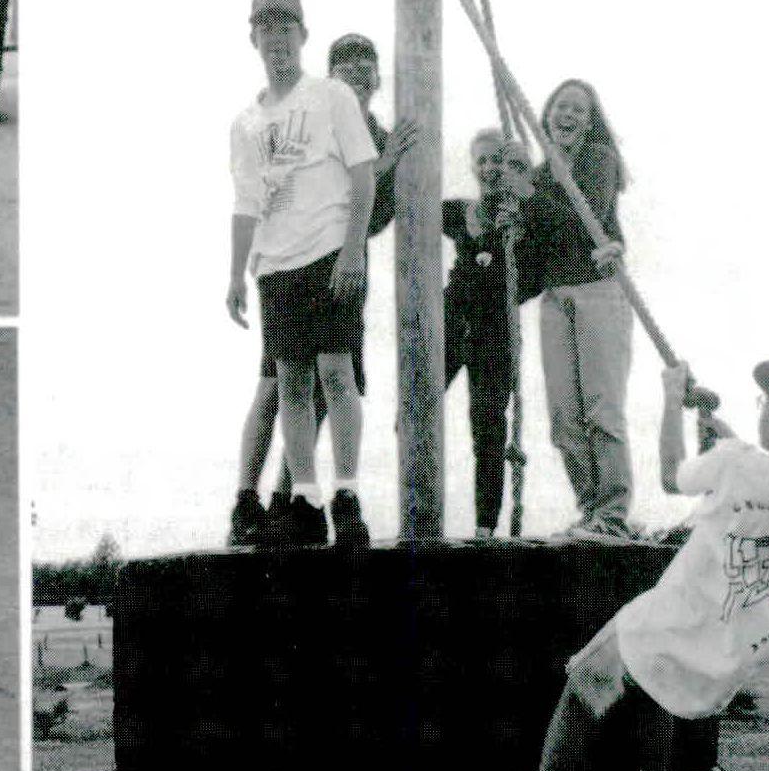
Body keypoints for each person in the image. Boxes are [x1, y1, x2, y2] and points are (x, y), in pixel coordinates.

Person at [509, 359, 769, 771]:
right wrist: (714, 433)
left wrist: (672, 398)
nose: (760, 411)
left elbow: (674, 477)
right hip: (726, 658)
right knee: (659, 687)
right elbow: (768, 484)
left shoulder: (738, 466)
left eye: (766, 406)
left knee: (584, 684)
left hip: (673, 623)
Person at [228, 32, 417, 547]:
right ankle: (247, 497)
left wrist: (384, 167)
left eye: (364, 68)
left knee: (330, 382)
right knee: (278, 384)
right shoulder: (310, 115)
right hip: (288, 264)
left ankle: (293, 498)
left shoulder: (378, 135)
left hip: (338, 269)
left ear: (376, 81)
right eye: (344, 67)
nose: (355, 76)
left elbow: (374, 216)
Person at [534, 78, 633, 539]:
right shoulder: (540, 175)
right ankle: (590, 507)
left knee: (601, 408)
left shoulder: (599, 159)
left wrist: (531, 196)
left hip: (598, 291)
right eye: (561, 106)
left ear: (591, 123)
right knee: (563, 416)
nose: (568, 115)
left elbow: (580, 215)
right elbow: (535, 241)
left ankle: (612, 513)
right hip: (556, 296)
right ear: (547, 114)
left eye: (578, 109)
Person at [442, 130, 550, 538]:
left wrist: (513, 238)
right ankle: (420, 510)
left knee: (488, 429)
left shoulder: (526, 223)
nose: (490, 169)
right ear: (472, 165)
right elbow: (409, 208)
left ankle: (484, 529)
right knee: (414, 407)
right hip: (452, 321)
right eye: (482, 160)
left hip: (495, 331)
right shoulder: (458, 212)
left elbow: (531, 282)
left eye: (498, 161)